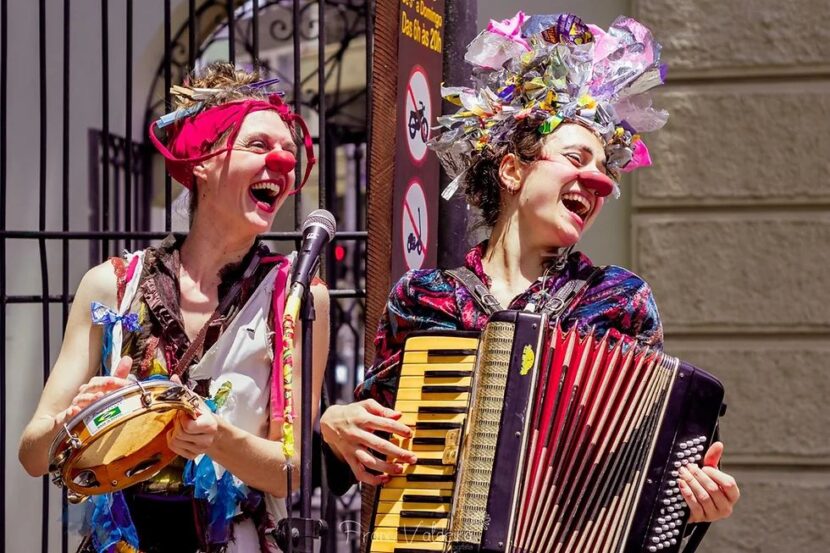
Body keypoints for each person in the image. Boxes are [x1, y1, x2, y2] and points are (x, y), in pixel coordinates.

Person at [320, 11, 739, 533]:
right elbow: (368, 445)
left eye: (605, 171)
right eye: (576, 157)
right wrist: (333, 427)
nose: (598, 182)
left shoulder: (618, 301)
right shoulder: (425, 298)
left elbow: (650, 477)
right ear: (512, 169)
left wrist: (696, 504)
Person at [18, 62, 329, 553]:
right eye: (258, 146)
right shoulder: (111, 285)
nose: (283, 164)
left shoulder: (296, 295)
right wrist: (77, 420)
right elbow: (34, 455)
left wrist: (218, 438)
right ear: (202, 161)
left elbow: (292, 475)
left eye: (289, 151)